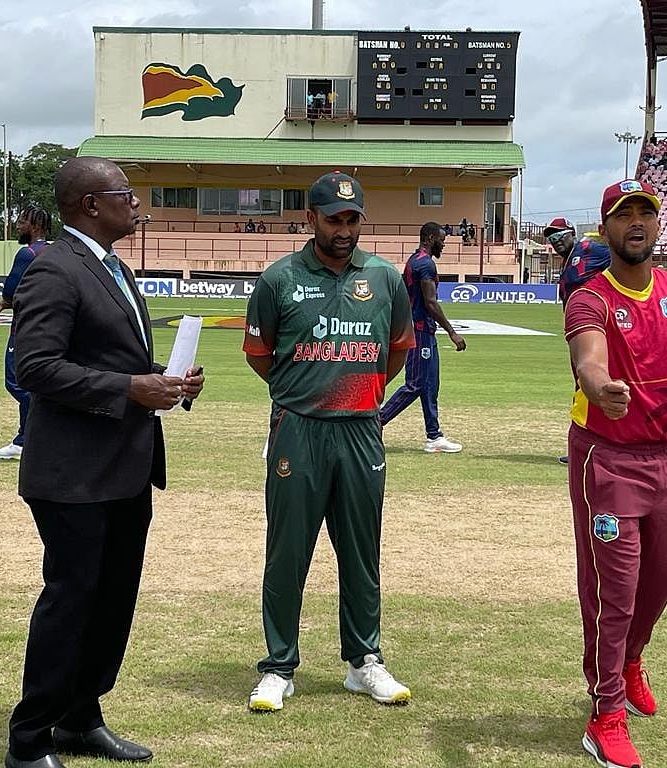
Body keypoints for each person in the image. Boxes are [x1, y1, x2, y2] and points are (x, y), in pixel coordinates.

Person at [3, 157, 205, 768]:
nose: (137, 203)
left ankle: (80, 715)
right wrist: (127, 389)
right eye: (128, 194)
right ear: (91, 204)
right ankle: (30, 741)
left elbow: (115, 357)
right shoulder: (54, 269)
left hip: (125, 466)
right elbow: (34, 367)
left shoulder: (112, 267)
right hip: (74, 475)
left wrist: (169, 384)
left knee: (113, 602)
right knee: (72, 601)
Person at [242, 171, 415, 712]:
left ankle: (364, 663)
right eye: (333, 219)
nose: (344, 229)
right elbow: (259, 355)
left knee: (362, 553)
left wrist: (358, 392)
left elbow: (397, 350)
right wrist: (302, 394)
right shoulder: (278, 279)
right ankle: (278, 667)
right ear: (310, 218)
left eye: (352, 219)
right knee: (288, 551)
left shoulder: (385, 279)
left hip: (362, 429)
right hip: (299, 428)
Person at [564, 179, 667, 768]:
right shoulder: (591, 297)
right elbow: (588, 356)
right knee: (614, 591)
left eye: (645, 214)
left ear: (658, 224)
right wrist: (598, 386)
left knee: (663, 578)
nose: (636, 223)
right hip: (605, 459)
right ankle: (604, 714)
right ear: (604, 228)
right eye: (622, 215)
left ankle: (630, 659)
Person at [379, 222, 466, 452]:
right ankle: (376, 422)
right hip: (419, 331)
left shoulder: (415, 260)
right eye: (441, 240)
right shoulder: (425, 264)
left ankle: (434, 437)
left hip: (422, 329)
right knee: (416, 384)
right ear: (428, 237)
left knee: (430, 385)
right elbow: (430, 302)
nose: (444, 244)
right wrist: (452, 332)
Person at [0, 206, 52, 460]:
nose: (18, 226)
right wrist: (1, 305)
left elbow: (12, 290)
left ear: (34, 226)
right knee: (41, 383)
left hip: (25, 329)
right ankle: (33, 437)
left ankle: (27, 440)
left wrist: (4, 300)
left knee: (17, 383)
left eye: (21, 222)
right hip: (53, 329)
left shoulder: (27, 253)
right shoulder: (56, 251)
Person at [545, 216, 611, 465]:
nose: (556, 242)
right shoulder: (568, 260)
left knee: (588, 385)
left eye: (560, 236)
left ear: (571, 233)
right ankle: (586, 447)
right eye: (552, 239)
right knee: (582, 386)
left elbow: (620, 259)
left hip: (593, 330)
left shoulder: (589, 249)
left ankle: (588, 448)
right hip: (576, 331)